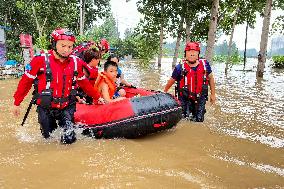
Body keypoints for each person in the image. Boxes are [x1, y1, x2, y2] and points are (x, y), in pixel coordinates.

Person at [13, 28, 101, 144]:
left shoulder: (76, 62)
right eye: (63, 46)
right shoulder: (39, 60)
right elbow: (25, 82)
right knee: (48, 140)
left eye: (70, 47)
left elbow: (84, 82)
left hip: (66, 106)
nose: (66, 50)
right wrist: (17, 103)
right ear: (54, 44)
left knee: (69, 140)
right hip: (45, 108)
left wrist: (97, 97)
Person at [164, 42, 216, 122]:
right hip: (185, 98)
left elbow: (211, 78)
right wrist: (164, 92)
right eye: (189, 52)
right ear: (185, 54)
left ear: (198, 54)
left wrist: (213, 94)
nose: (192, 54)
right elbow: (171, 81)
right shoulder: (179, 68)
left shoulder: (205, 65)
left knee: (199, 120)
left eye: (194, 52)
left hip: (200, 97)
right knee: (184, 119)